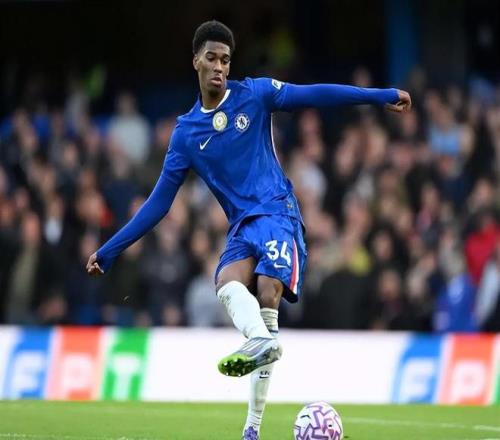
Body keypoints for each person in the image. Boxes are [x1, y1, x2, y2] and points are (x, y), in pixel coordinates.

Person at [86, 20, 411, 440]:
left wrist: (378, 96)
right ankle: (259, 363)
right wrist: (109, 250)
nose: (220, 67)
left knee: (267, 290)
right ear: (196, 61)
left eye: (225, 60)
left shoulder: (254, 94)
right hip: (242, 226)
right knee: (225, 282)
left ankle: (252, 418)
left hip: (277, 211)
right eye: (212, 58)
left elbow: (313, 94)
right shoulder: (186, 133)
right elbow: (158, 204)